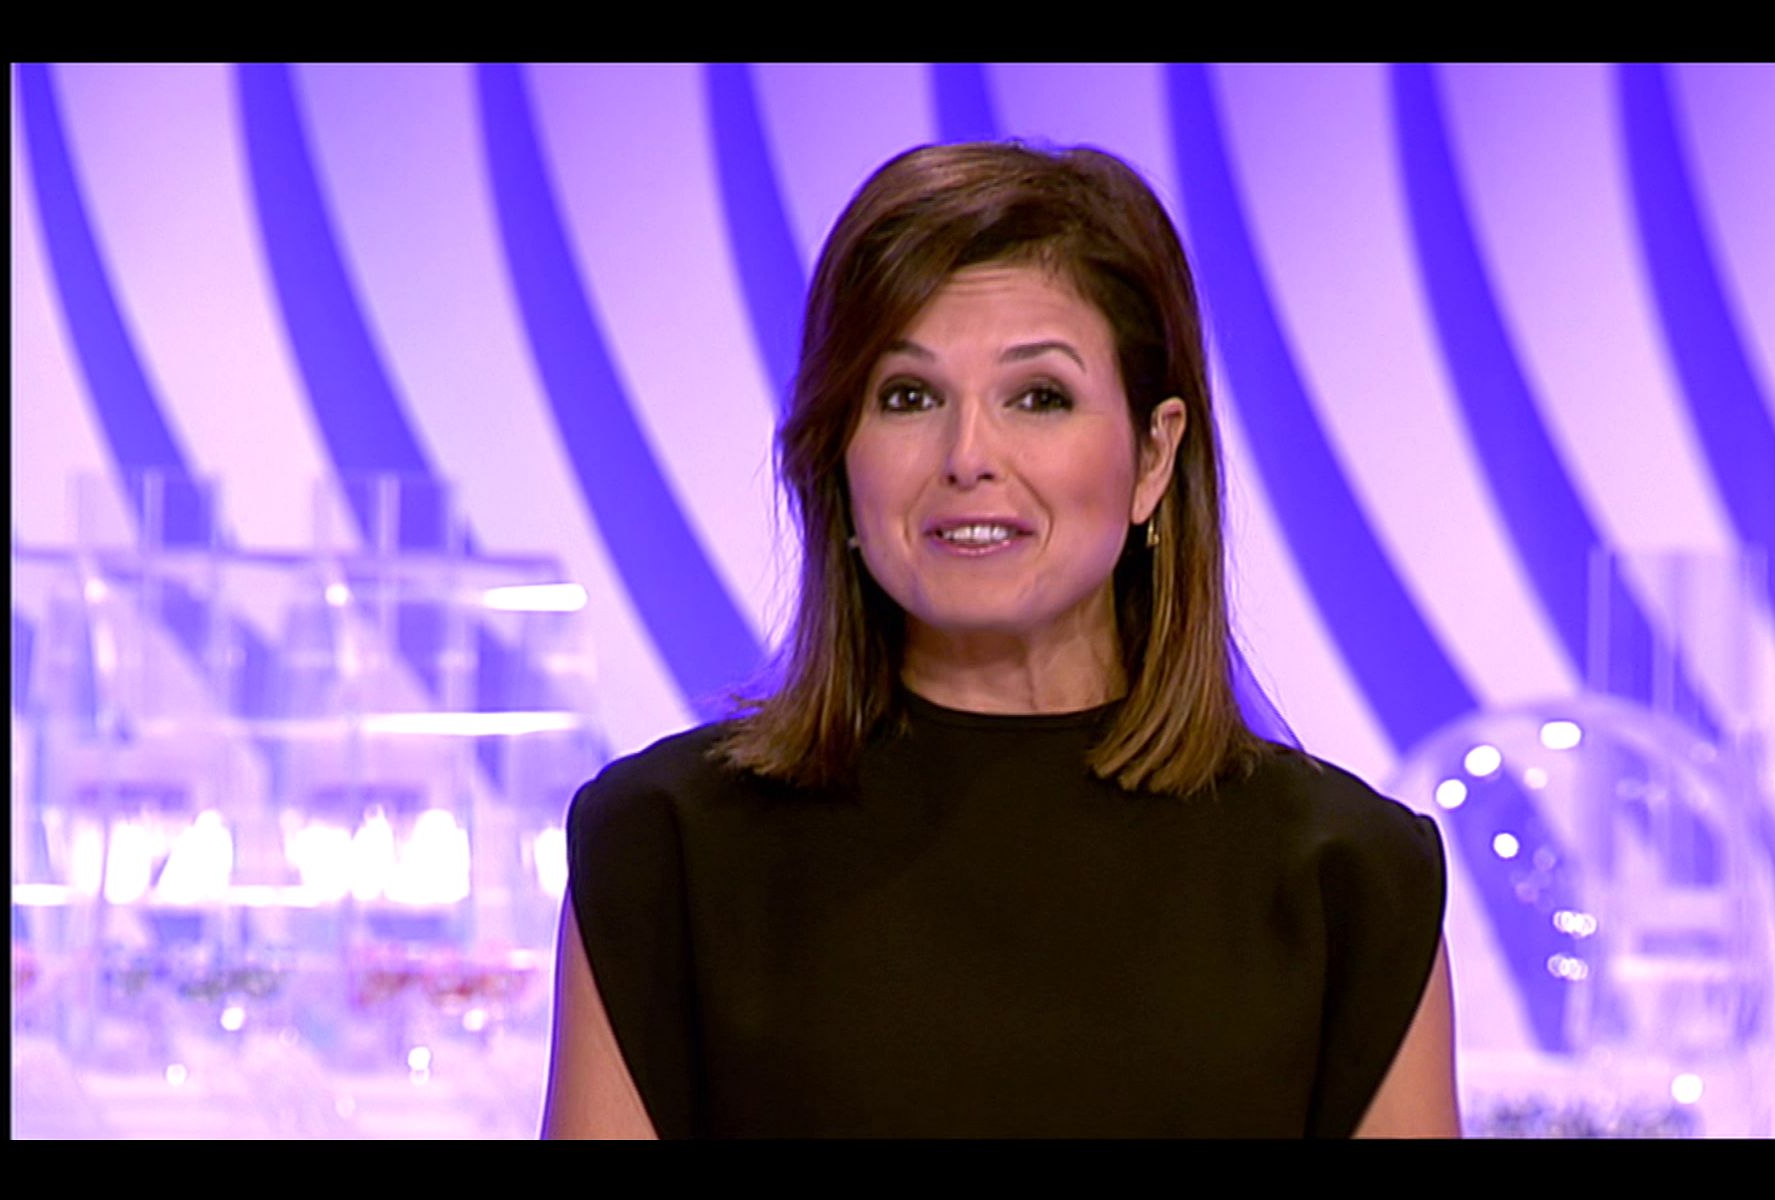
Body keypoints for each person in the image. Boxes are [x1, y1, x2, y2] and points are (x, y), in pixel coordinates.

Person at [542, 141, 1457, 1138]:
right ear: (837, 458)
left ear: (1154, 457)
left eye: (1039, 397)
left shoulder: (1351, 884)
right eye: (908, 396)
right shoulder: (661, 851)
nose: (968, 456)